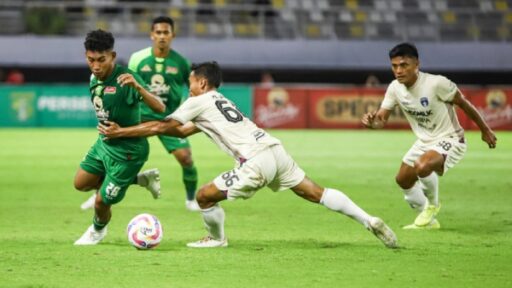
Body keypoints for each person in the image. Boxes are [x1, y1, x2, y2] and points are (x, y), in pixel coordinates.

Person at [98, 61, 398, 249]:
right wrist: (151, 128)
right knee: (315, 192)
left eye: (190, 82)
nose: (189, 88)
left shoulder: (199, 100)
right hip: (274, 149)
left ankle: (216, 239)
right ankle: (368, 220)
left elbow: (164, 124)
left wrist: (120, 132)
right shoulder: (218, 101)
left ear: (202, 83)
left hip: (255, 160)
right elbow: (179, 132)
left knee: (204, 197)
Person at [362, 43, 497, 230]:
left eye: (404, 65)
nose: (398, 71)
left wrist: (485, 130)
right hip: (424, 141)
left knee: (422, 166)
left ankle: (432, 205)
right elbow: (381, 120)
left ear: (416, 64)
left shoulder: (436, 83)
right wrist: (372, 123)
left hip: (450, 139)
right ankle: (429, 222)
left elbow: (464, 104)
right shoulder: (394, 88)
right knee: (403, 179)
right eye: (394, 66)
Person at [74, 29, 165, 245]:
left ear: (112, 56)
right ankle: (141, 179)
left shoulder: (126, 80)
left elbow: (160, 108)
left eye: (101, 60)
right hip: (104, 144)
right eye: (91, 60)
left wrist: (139, 88)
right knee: (81, 184)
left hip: (129, 152)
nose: (96, 66)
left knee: (101, 202)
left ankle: (97, 230)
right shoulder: (93, 78)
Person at [129, 16, 200, 211]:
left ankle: (191, 200)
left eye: (165, 32)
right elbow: (128, 87)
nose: (162, 36)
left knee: (186, 157)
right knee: (117, 157)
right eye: (158, 32)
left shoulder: (182, 62)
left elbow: (194, 89)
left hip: (169, 119)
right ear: (152, 35)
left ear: (172, 35)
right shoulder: (137, 59)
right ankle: (99, 194)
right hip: (140, 117)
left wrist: (189, 108)